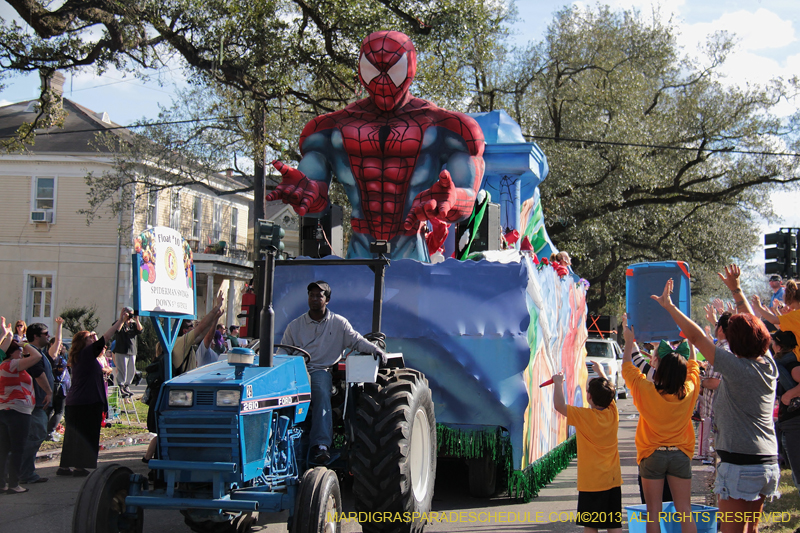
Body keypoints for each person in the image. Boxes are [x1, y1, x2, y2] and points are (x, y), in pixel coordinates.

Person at [267, 30, 484, 262]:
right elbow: (315, 199)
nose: (383, 81)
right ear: (362, 69)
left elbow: (467, 198)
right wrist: (307, 194)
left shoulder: (448, 127)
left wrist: (454, 199)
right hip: (360, 243)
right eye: (374, 70)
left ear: (410, 68)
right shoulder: (330, 129)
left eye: (393, 70)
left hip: (411, 245)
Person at [653, 265, 780, 533]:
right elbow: (753, 324)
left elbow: (697, 337)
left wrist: (670, 307)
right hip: (767, 462)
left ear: (736, 343)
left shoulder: (736, 368)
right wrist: (736, 289)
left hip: (740, 464)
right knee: (750, 530)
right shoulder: (768, 363)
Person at [277, 280, 385, 463]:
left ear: (327, 300)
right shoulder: (295, 326)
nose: (314, 299)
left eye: (319, 296)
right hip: (296, 369)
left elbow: (357, 341)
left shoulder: (338, 323)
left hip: (320, 369)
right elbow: (282, 354)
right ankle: (278, 440)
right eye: (311, 295)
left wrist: (376, 350)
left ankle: (321, 445)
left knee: (319, 389)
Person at [622, 313, 700, 533]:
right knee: (685, 511)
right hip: (680, 454)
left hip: (651, 454)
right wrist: (691, 343)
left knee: (653, 513)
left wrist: (629, 341)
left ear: (659, 369)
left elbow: (628, 367)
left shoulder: (645, 390)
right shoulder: (690, 390)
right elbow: (694, 367)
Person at [57, 307, 130, 476]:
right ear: (84, 342)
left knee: (72, 435)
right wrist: (120, 320)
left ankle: (65, 466)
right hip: (87, 401)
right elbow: (106, 337)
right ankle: (79, 466)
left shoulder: (80, 355)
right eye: (90, 337)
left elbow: (101, 342)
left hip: (75, 401)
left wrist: (96, 338)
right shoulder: (87, 353)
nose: (93, 338)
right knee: (86, 433)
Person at [552, 361, 621, 533]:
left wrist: (558, 383)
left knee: (591, 526)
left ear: (589, 397)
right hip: (612, 480)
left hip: (592, 483)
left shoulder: (585, 416)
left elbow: (559, 406)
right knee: (614, 525)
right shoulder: (613, 413)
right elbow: (610, 394)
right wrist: (601, 373)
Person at [0, 317, 41, 494]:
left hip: (4, 410)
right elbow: (37, 356)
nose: (21, 353)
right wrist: (24, 343)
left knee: (3, 449)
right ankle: (14, 484)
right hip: (18, 411)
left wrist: (6, 334)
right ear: (13, 352)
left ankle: (2, 483)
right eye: (17, 351)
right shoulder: (13, 364)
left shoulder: (2, 365)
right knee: (17, 449)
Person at [18, 322, 53, 484]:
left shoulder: (39, 352)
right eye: (45, 333)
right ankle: (23, 473)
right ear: (36, 336)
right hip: (35, 404)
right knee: (34, 437)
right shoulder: (32, 354)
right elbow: (38, 373)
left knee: (34, 437)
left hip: (38, 403)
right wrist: (48, 391)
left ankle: (24, 472)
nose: (48, 335)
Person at [112, 310, 143, 398]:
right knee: (123, 369)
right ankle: (121, 385)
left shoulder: (133, 324)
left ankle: (127, 385)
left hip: (132, 350)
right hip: (121, 350)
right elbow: (117, 330)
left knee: (131, 370)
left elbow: (140, 330)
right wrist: (122, 319)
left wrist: (137, 320)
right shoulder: (118, 323)